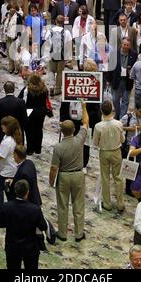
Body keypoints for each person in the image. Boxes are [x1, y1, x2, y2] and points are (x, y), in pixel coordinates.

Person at [49, 102, 89, 242]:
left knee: (62, 205)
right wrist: (84, 106)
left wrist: (51, 181)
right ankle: (78, 234)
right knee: (78, 205)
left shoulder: (58, 147)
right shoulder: (79, 140)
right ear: (73, 130)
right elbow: (85, 122)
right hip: (78, 175)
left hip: (64, 176)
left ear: (62, 131)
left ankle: (63, 233)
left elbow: (54, 167)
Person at [0, 179, 47, 270]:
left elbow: (1, 224)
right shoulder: (35, 209)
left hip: (12, 246)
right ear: (27, 192)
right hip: (30, 247)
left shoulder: (6, 207)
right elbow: (43, 226)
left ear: (15, 191)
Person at [93, 101, 125, 213]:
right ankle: (120, 203)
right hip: (116, 152)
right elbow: (123, 140)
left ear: (101, 111)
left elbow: (95, 143)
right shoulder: (119, 124)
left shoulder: (98, 126)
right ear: (112, 110)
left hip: (104, 152)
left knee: (105, 177)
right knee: (118, 177)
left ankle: (107, 203)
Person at [18, 73, 48, 155]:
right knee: (39, 130)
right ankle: (38, 149)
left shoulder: (26, 90)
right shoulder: (44, 89)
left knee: (29, 131)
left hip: (29, 113)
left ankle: (30, 150)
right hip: (41, 113)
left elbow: (19, 99)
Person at [45, 15, 73, 96]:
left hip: (51, 54)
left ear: (56, 22)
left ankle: (51, 87)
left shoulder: (50, 31)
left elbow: (46, 42)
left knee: (51, 71)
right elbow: (68, 44)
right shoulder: (66, 32)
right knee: (60, 72)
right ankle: (57, 89)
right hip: (61, 55)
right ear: (63, 22)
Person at [111, 38, 137, 120]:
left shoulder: (134, 54)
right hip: (116, 80)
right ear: (121, 44)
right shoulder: (114, 53)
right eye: (124, 44)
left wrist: (131, 71)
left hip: (127, 80)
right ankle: (118, 114)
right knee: (115, 100)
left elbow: (135, 67)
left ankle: (122, 118)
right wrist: (109, 79)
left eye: (127, 45)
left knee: (125, 101)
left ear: (130, 46)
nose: (126, 46)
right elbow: (109, 67)